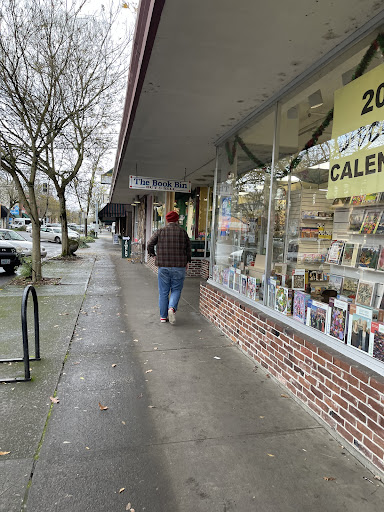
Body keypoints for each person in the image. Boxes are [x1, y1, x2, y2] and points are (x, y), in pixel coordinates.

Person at [147, 211, 191, 324]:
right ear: (177, 220)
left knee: (163, 292)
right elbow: (188, 249)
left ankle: (163, 317)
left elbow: (149, 244)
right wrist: (187, 261)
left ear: (167, 220)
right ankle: (171, 308)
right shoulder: (183, 232)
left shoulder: (160, 231)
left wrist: (153, 255)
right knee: (176, 289)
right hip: (179, 266)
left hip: (163, 266)